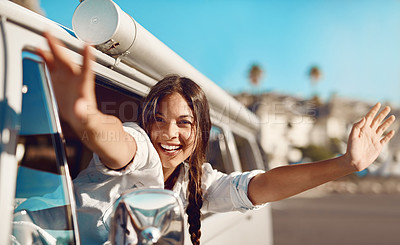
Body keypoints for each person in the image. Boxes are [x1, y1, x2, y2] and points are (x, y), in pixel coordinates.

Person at [38, 33, 395, 245]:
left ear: (200, 132)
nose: (168, 133)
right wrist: (86, 117)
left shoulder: (200, 183)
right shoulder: (140, 145)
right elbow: (119, 142)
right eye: (158, 119)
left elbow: (263, 185)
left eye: (183, 123)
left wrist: (345, 164)